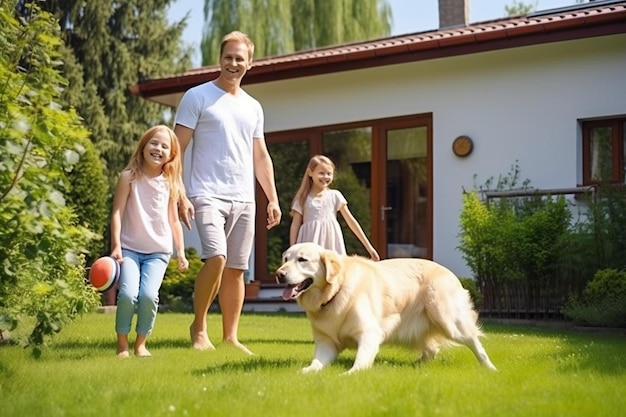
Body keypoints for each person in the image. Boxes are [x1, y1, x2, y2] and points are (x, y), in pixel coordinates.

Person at [174, 31, 281, 354]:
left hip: (244, 198)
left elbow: (260, 156)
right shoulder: (197, 97)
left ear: (250, 63)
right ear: (220, 59)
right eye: (228, 57)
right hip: (206, 193)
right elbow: (177, 150)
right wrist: (178, 191)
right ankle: (199, 327)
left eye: (240, 58)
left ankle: (231, 336)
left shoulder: (253, 107)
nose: (233, 63)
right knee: (216, 257)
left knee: (236, 268)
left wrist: (272, 198)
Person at [110, 125, 189, 358]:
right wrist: (116, 246)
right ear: (143, 146)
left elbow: (174, 221)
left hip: (159, 252)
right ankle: (122, 343)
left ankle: (141, 343)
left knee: (147, 296)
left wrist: (181, 252)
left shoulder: (170, 183)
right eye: (154, 143)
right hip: (129, 249)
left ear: (172, 155)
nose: (158, 149)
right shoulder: (128, 178)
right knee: (126, 295)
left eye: (165, 146)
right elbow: (116, 213)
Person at [290, 155, 380, 261]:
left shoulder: (335, 195)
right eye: (321, 173)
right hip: (309, 244)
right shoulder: (302, 198)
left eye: (329, 173)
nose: (325, 177)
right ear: (310, 173)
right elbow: (295, 225)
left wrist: (369, 248)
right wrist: (292, 249)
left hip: (331, 243)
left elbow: (351, 221)